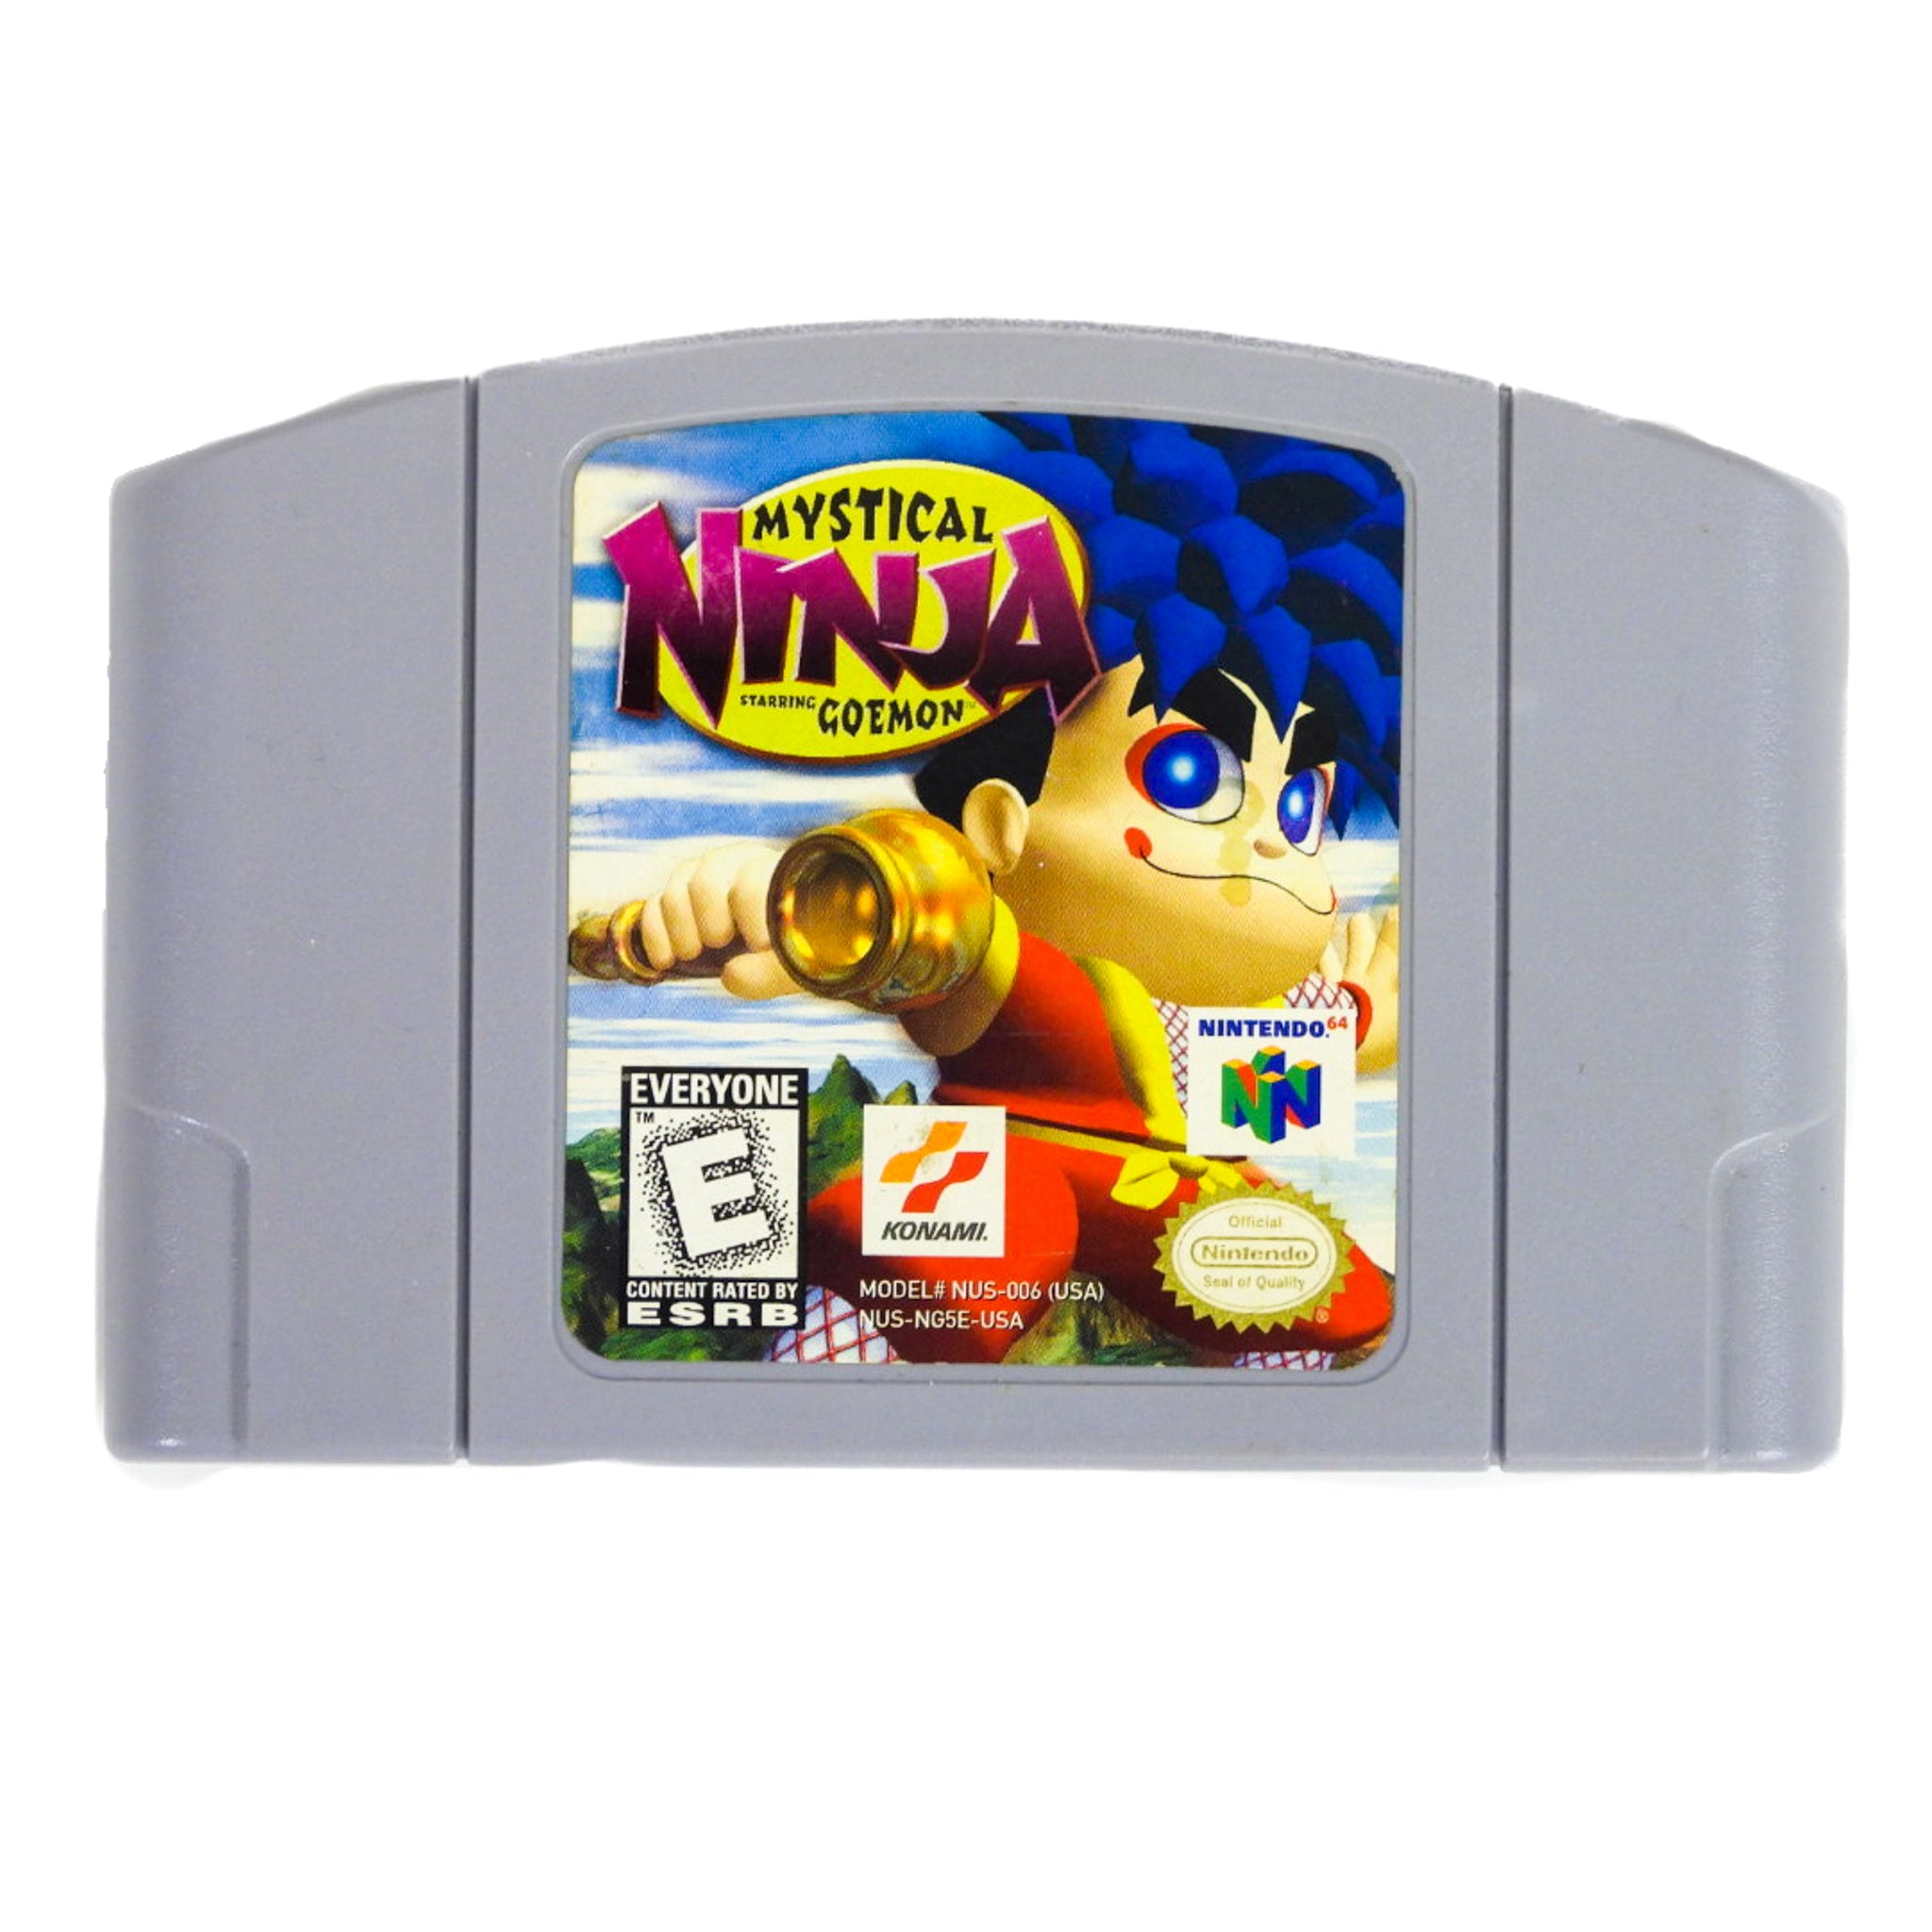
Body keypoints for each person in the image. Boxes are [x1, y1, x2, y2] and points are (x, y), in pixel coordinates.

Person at [616, 630, 1400, 1365]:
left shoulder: (1257, 1007)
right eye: (1191, 776)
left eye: (1300, 807)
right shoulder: (1003, 958)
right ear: (998, 826)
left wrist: (1364, 1021)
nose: (1271, 840)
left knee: (1320, 1288)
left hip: (1181, 1192)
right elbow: (912, 924)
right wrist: (797, 901)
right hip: (1001, 1151)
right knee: (921, 1264)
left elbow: (1297, 1070)